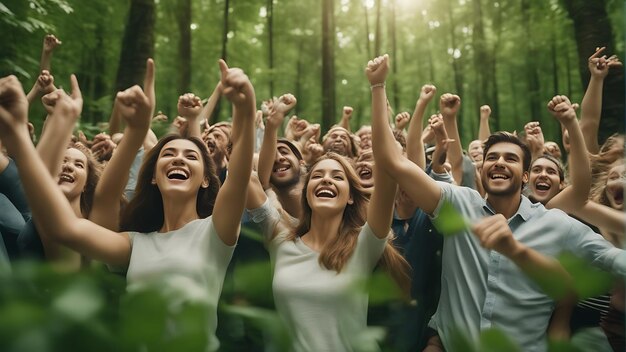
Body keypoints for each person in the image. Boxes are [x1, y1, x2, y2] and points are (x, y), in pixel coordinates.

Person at [367, 54, 626, 351]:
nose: (499, 163)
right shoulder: (458, 204)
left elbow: (611, 258)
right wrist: (378, 86)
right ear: (481, 169)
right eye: (492, 157)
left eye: (511, 159)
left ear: (525, 175)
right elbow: (393, 162)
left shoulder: (556, 224)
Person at [0, 59, 256, 351]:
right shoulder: (134, 244)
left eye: (191, 157)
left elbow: (237, 178)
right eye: (169, 153)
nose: (178, 159)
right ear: (154, 179)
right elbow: (63, 228)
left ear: (206, 181)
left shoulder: (214, 233)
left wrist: (244, 110)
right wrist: (17, 135)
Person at [245, 152, 410, 349]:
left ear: (350, 196)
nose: (326, 180)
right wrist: (255, 125)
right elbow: (244, 175)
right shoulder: (281, 241)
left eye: (337, 177)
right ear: (306, 194)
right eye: (317, 176)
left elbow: (388, 171)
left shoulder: (365, 244)